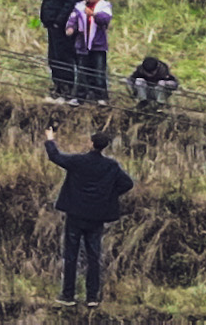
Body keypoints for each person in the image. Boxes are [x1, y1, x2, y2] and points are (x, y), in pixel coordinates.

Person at [44, 122, 130, 303]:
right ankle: (92, 296)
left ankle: (68, 295)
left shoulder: (78, 161)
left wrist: (50, 139)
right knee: (94, 256)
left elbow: (55, 156)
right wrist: (108, 195)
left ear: (91, 144)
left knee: (71, 256)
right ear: (105, 146)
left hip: (75, 214)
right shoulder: (111, 166)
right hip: (97, 216)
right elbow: (127, 184)